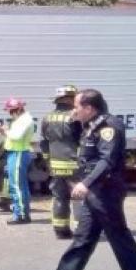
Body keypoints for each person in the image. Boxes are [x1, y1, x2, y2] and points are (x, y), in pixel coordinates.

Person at [36, 89, 136, 270]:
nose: (73, 110)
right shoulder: (89, 124)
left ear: (89, 108)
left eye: (77, 106)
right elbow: (79, 147)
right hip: (96, 192)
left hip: (106, 192)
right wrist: (74, 123)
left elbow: (107, 161)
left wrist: (85, 183)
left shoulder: (109, 127)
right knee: (84, 236)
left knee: (122, 243)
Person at [40, 85, 82, 239]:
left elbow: (44, 143)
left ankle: (60, 230)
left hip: (56, 165)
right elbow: (82, 141)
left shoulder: (47, 118)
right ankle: (81, 230)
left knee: (59, 198)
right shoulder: (75, 117)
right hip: (75, 165)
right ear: (69, 98)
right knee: (80, 197)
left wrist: (48, 161)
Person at [0, 98, 34, 224]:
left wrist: (5, 131)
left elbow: (16, 136)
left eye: (11, 111)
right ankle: (23, 213)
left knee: (17, 186)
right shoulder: (21, 120)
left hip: (18, 154)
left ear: (18, 109)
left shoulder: (24, 120)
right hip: (16, 153)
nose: (10, 113)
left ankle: (21, 215)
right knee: (20, 186)